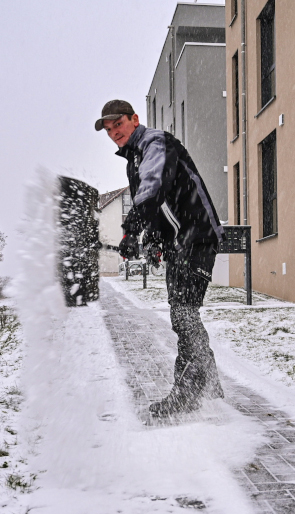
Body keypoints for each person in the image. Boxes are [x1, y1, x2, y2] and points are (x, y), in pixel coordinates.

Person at [95, 99, 224, 416]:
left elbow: (153, 190)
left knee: (183, 316)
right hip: (181, 242)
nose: (113, 133)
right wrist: (143, 238)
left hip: (197, 237)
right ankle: (208, 388)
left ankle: (187, 396)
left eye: (118, 124)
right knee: (184, 315)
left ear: (134, 119)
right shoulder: (133, 159)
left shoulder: (155, 142)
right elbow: (159, 209)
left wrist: (133, 230)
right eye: (108, 129)